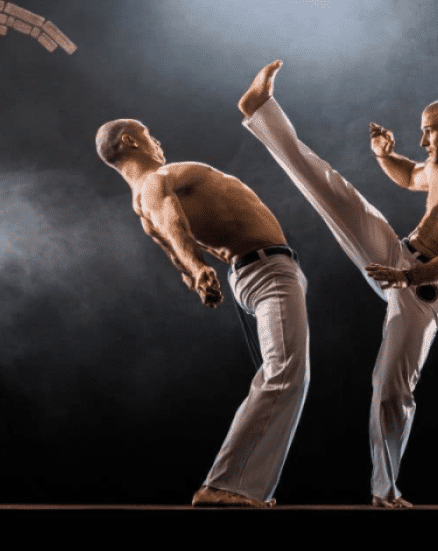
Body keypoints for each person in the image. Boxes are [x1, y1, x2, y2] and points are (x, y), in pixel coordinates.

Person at [238, 61, 438, 508]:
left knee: (390, 389)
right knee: (334, 190)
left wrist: (407, 278)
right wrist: (385, 155)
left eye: (429, 132)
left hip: (426, 292)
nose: (422, 142)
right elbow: (409, 176)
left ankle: (385, 492)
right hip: (398, 259)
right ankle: (261, 110)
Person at [96, 118, 310, 508]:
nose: (158, 141)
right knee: (285, 373)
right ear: (130, 141)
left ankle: (244, 487)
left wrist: (195, 275)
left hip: (259, 271)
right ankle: (226, 486)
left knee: (285, 373)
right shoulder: (154, 183)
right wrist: (197, 270)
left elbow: (176, 250)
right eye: (150, 135)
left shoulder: (144, 203)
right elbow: (171, 219)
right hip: (264, 270)